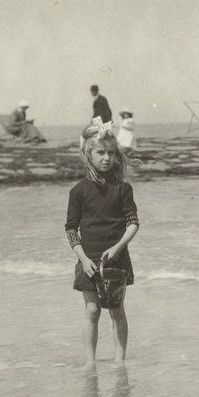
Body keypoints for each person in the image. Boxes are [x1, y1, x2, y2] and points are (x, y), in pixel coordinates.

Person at [65, 118, 139, 366]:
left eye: (111, 153)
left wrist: (118, 247)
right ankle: (90, 362)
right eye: (100, 152)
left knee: (117, 311)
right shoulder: (78, 191)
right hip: (88, 261)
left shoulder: (123, 189)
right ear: (88, 154)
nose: (106, 158)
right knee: (92, 311)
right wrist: (83, 260)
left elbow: (133, 223)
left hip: (116, 259)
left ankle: (120, 362)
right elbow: (71, 230)